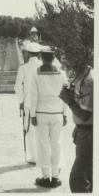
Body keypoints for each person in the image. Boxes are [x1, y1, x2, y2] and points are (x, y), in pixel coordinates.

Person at [30, 46, 68, 188]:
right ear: (53, 58)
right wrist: (64, 114)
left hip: (41, 112)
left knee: (43, 145)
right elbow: (65, 96)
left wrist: (33, 115)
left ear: (41, 57)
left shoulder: (36, 73)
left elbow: (33, 96)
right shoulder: (62, 73)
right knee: (56, 144)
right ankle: (56, 176)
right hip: (57, 112)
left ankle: (46, 176)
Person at [59, 58, 93, 192]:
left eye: (67, 58)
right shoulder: (82, 76)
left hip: (88, 133)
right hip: (83, 131)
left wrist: (68, 101)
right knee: (89, 174)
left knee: (77, 179)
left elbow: (85, 115)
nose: (64, 63)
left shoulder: (90, 81)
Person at [14, 42, 42, 163]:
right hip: (42, 103)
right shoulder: (44, 65)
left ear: (29, 54)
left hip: (28, 103)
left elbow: (17, 86)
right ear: (39, 54)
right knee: (42, 130)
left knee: (29, 130)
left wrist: (21, 100)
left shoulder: (23, 67)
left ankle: (34, 158)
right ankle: (42, 156)